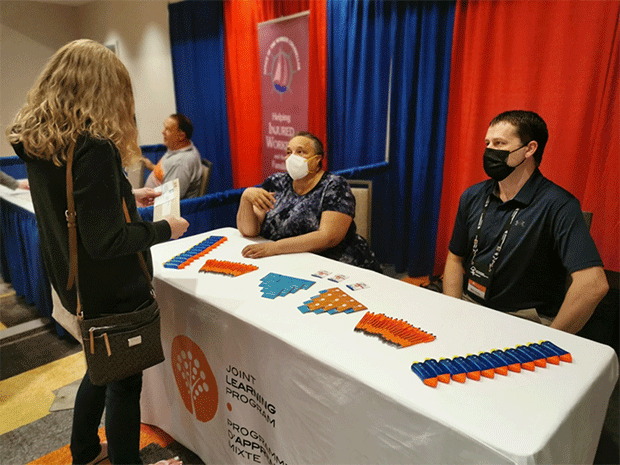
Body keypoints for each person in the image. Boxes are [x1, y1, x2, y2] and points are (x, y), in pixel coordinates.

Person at [7, 39, 187, 465]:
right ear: (103, 91)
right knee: (124, 383)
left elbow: (76, 207)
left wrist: (126, 195)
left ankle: (86, 451)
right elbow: (106, 242)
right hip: (111, 290)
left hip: (75, 283)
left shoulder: (41, 143)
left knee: (100, 367)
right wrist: (165, 228)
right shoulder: (94, 147)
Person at [443, 110, 608, 334]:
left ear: (529, 149)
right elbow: (455, 258)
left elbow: (593, 284)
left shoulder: (559, 205)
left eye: (500, 143)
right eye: (488, 143)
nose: (490, 150)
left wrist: (550, 343)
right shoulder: (472, 196)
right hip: (471, 306)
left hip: (524, 322)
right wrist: (452, 310)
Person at [237, 131, 381, 272]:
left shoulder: (335, 186)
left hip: (333, 265)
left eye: (300, 152)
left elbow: (328, 237)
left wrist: (274, 248)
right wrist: (245, 199)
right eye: (289, 152)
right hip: (284, 262)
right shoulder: (276, 182)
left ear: (317, 159)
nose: (292, 157)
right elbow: (250, 231)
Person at [143, 114, 202, 199]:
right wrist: (152, 166)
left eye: (168, 130)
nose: (163, 132)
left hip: (153, 207)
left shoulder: (181, 163)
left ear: (181, 136)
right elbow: (168, 172)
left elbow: (170, 199)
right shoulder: (179, 149)